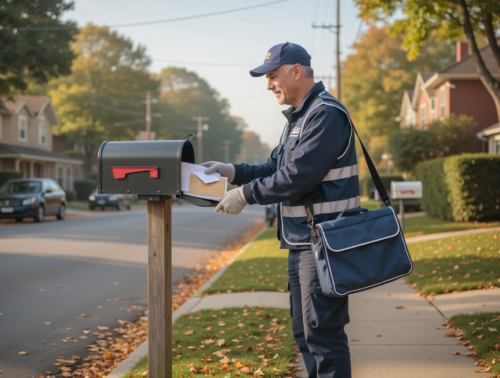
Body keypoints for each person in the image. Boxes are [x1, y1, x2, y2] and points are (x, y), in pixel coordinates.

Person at [201, 42, 360, 378]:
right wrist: (231, 171)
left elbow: (297, 178)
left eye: (273, 75)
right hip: (303, 243)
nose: (269, 84)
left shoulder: (325, 114)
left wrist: (243, 195)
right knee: (305, 334)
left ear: (296, 71)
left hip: (323, 244)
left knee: (323, 336)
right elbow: (273, 167)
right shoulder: (299, 119)